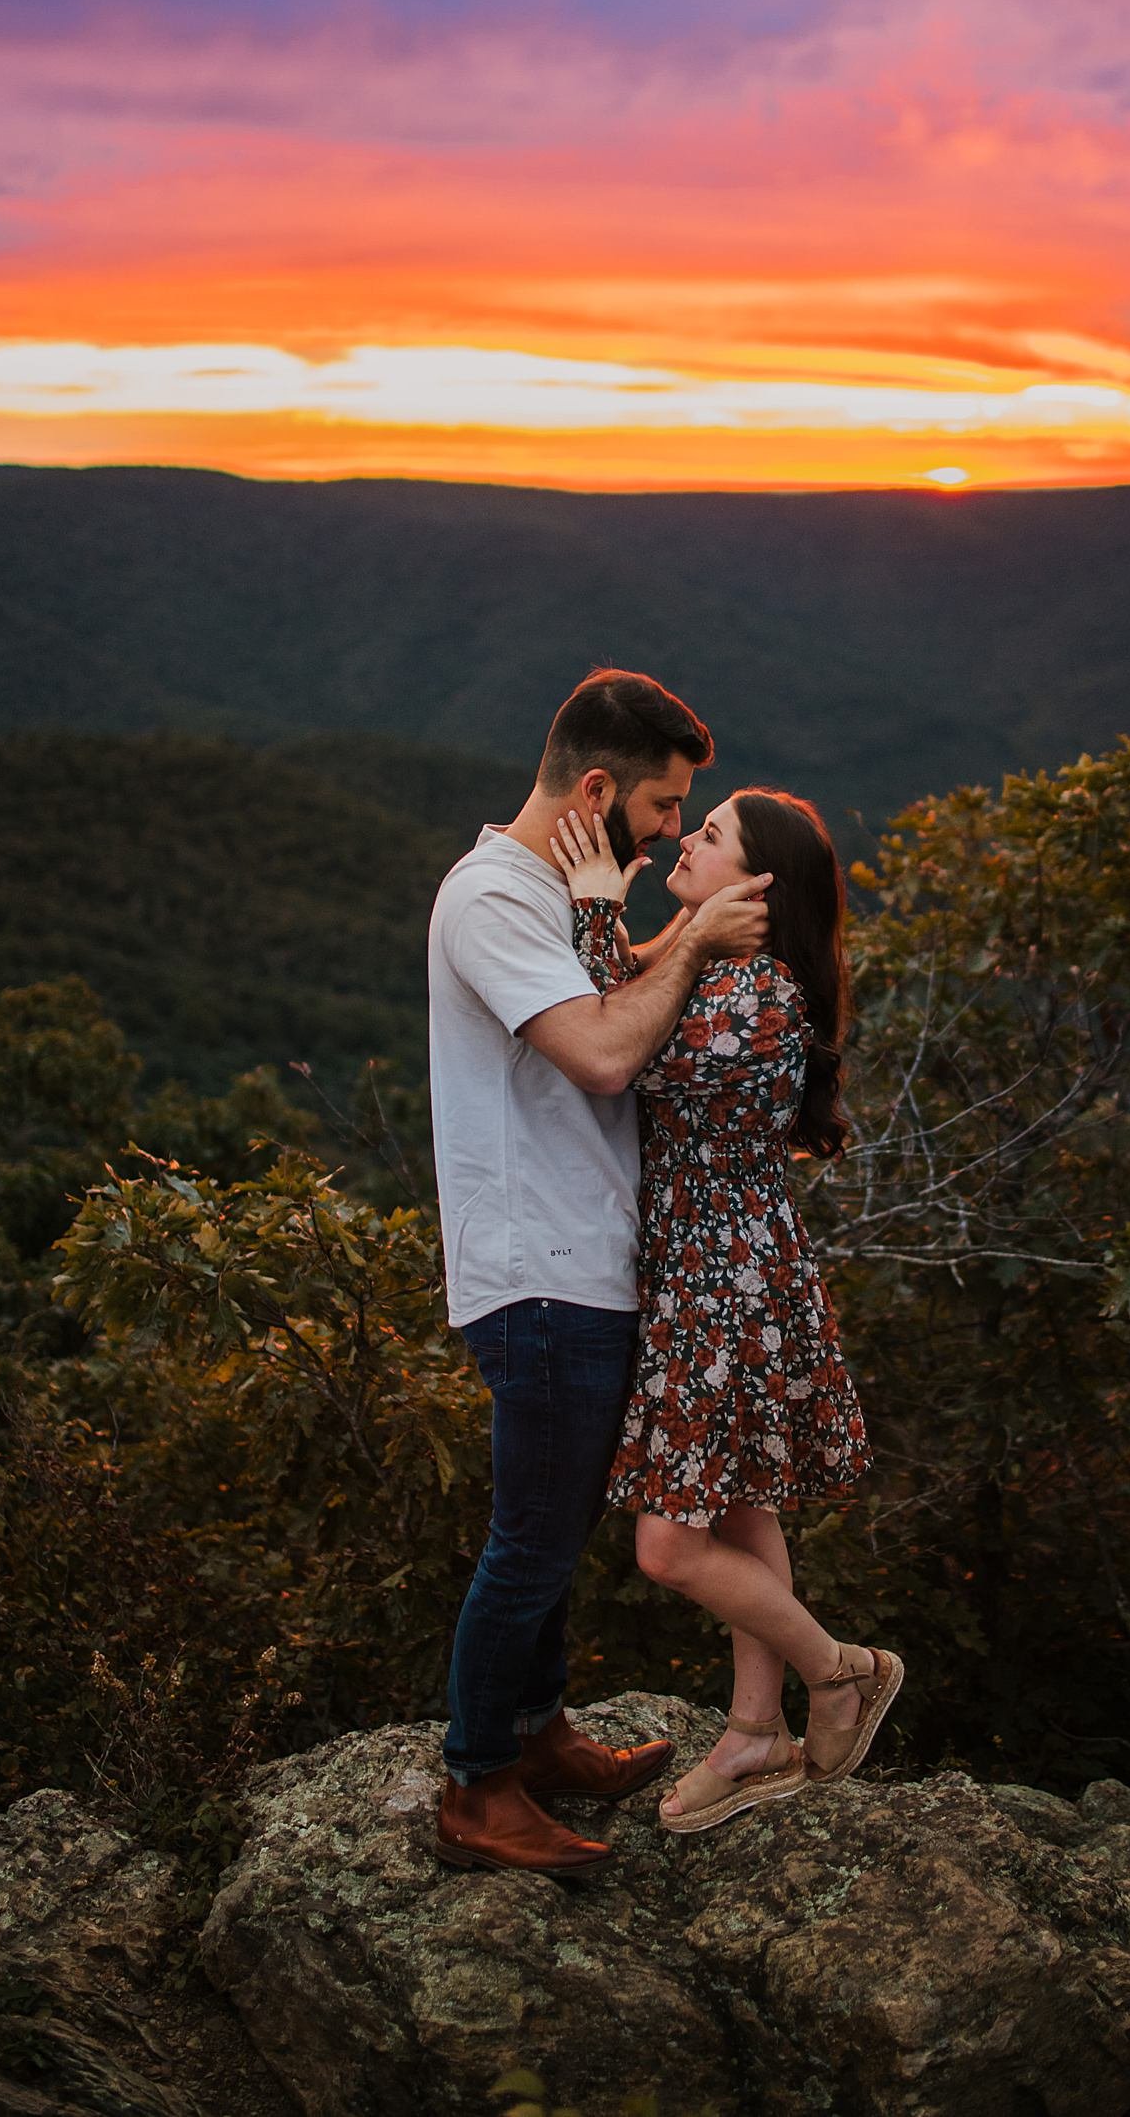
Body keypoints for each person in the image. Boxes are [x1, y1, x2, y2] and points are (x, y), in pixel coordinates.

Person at [428, 668, 775, 1877]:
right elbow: (603, 1054)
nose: (676, 829)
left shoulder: (554, 893)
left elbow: (615, 991)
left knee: (557, 1525)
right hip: (539, 1269)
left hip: (583, 1263)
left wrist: (652, 928)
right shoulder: (489, 899)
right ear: (597, 787)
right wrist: (701, 940)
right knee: (529, 1537)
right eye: (668, 806)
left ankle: (536, 1731)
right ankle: (477, 1787)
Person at [552, 787, 901, 1833]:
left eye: (710, 837)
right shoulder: (723, 970)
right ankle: (756, 1728)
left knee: (669, 1545)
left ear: (758, 887)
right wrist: (658, 927)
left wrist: (598, 908)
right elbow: (642, 1002)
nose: (687, 840)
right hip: (707, 1277)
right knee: (745, 1506)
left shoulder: (754, 993)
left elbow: (616, 1040)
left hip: (726, 1288)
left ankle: (840, 1671)